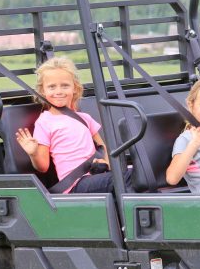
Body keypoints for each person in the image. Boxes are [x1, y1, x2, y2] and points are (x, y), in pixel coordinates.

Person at [15, 56, 131, 193]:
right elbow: (43, 167)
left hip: (97, 175)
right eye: (52, 87)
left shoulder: (84, 118)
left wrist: (106, 163)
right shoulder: (45, 122)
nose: (58, 91)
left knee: (140, 174)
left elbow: (102, 147)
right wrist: (33, 153)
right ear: (42, 91)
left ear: (74, 88)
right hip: (76, 185)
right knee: (130, 177)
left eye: (65, 86)